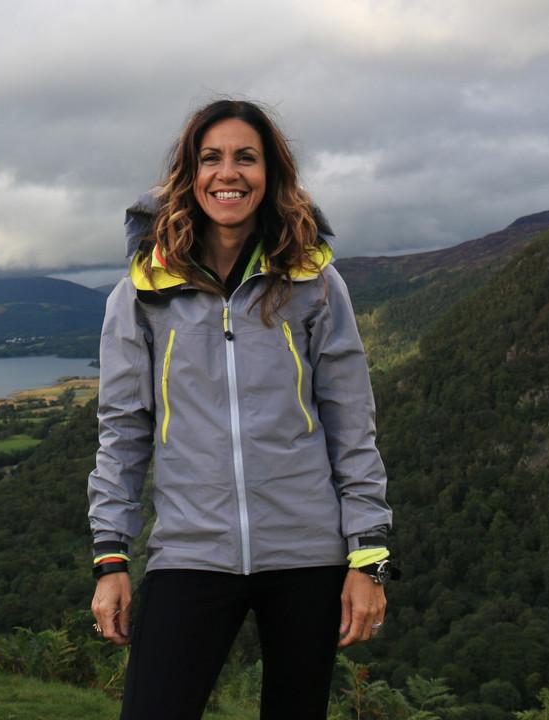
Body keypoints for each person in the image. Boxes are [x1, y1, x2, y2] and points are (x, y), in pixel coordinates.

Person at [86, 99, 396, 720]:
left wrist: (369, 555)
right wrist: (111, 554)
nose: (228, 173)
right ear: (190, 174)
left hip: (308, 553)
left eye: (246, 158)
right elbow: (123, 430)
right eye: (212, 158)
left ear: (270, 173)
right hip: (190, 550)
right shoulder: (143, 291)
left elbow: (350, 422)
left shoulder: (314, 283)